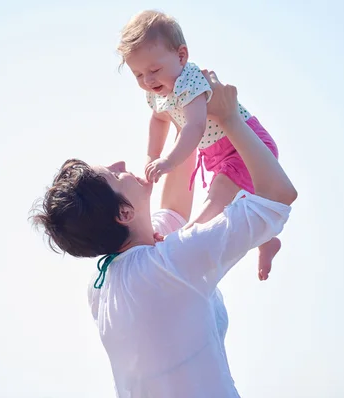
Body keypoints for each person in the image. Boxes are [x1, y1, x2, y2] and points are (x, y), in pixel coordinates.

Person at [31, 71, 297, 398]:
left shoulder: (108, 281)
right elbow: (279, 196)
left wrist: (181, 99)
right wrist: (230, 120)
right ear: (124, 214)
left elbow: (173, 209)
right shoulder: (167, 265)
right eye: (115, 175)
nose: (121, 163)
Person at [118, 10, 283, 281]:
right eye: (138, 75)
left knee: (216, 200)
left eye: (154, 70)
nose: (147, 80)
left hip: (242, 144)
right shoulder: (156, 92)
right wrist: (152, 155)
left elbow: (193, 126)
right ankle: (266, 240)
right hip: (218, 152)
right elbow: (159, 120)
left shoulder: (190, 79)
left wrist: (169, 162)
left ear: (181, 56)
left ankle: (182, 240)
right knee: (237, 204)